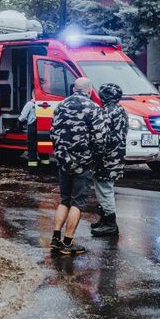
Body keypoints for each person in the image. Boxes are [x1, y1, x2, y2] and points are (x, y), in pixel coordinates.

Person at [50, 77, 106, 255]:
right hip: (83, 161)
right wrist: (96, 158)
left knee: (64, 200)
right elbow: (100, 138)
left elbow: (53, 132)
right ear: (89, 90)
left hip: (63, 160)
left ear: (74, 88)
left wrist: (60, 153)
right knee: (77, 202)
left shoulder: (60, 106)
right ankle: (68, 243)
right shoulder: (93, 108)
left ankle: (55, 238)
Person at [91, 83, 128, 237]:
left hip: (106, 157)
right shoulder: (121, 110)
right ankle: (105, 219)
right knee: (106, 187)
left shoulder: (106, 111)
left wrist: (95, 155)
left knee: (104, 189)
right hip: (117, 155)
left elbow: (101, 137)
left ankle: (110, 223)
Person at [19, 91, 41, 168]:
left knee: (31, 148)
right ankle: (45, 165)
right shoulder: (42, 104)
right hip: (41, 128)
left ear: (32, 94)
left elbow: (22, 118)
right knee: (41, 147)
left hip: (32, 128)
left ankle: (32, 168)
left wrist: (18, 120)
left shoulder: (29, 104)